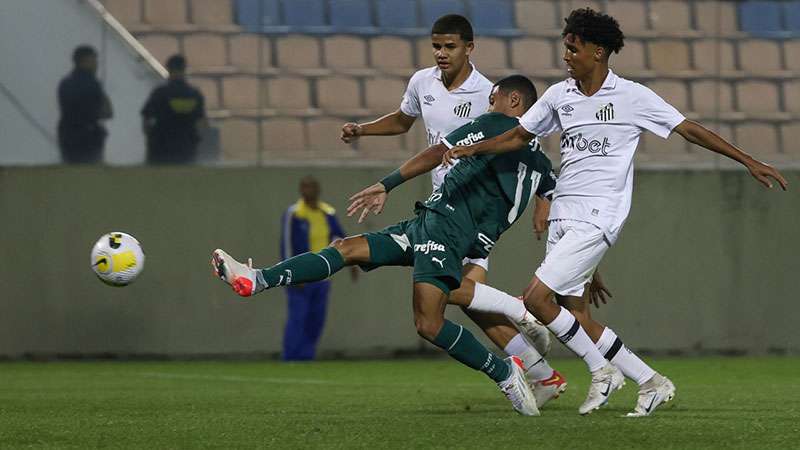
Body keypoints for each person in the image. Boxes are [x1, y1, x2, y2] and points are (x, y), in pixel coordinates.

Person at [442, 8, 788, 417]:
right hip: (564, 215)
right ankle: (651, 382)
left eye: (573, 48)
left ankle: (601, 371)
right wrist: (471, 148)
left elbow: (688, 128)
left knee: (537, 300)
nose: (566, 55)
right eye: (565, 47)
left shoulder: (632, 96)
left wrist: (747, 159)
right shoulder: (558, 96)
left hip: (600, 214)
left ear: (599, 51)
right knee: (577, 316)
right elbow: (519, 135)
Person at [212, 76, 560, 416]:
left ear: (513, 101)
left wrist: (386, 183)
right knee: (347, 248)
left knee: (429, 323)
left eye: (494, 98)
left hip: (446, 228)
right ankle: (258, 279)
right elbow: (552, 190)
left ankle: (506, 368)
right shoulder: (541, 162)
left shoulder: (496, 123)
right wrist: (544, 209)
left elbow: (440, 150)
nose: (489, 104)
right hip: (433, 223)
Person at [340, 14, 560, 403]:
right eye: (436, 46)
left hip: (470, 208)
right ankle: (542, 374)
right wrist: (364, 129)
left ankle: (524, 318)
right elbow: (402, 120)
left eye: (450, 46)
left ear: (469, 48)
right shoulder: (422, 82)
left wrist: (542, 200)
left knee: (455, 293)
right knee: (468, 298)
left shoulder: (489, 95)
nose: (441, 53)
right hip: (441, 205)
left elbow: (525, 143)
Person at [280, 176, 358, 361]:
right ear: (300, 190)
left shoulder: (327, 213)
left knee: (316, 319)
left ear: (318, 189)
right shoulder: (294, 214)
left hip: (322, 277)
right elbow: (287, 245)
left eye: (311, 186)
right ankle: (291, 357)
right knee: (297, 317)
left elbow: (341, 238)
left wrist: (353, 264)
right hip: (300, 276)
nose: (308, 190)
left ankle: (307, 355)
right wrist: (291, 273)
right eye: (304, 186)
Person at [141, 55, 206, 164]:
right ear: (184, 69)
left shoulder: (160, 93)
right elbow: (202, 123)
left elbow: (146, 118)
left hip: (161, 147)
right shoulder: (195, 94)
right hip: (187, 148)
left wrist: (149, 138)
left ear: (169, 69)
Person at [57, 45, 113, 164]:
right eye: (93, 61)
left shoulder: (65, 83)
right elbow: (107, 112)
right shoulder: (92, 84)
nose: (96, 65)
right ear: (85, 61)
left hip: (67, 136)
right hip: (89, 138)